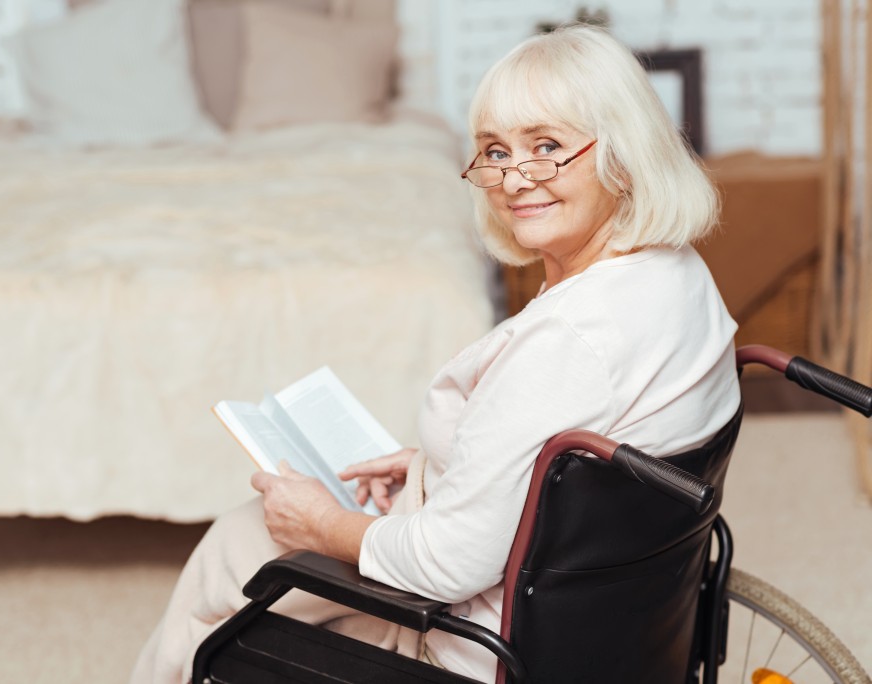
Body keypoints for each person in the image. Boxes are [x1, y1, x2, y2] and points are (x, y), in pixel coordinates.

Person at [130, 24, 741, 684]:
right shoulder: (678, 278)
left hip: (476, 647)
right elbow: (569, 447)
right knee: (250, 549)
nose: (514, 179)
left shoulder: (569, 341)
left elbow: (448, 565)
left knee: (241, 552)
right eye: (495, 151)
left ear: (622, 151)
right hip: (612, 623)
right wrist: (436, 464)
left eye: (547, 146)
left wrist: (324, 524)